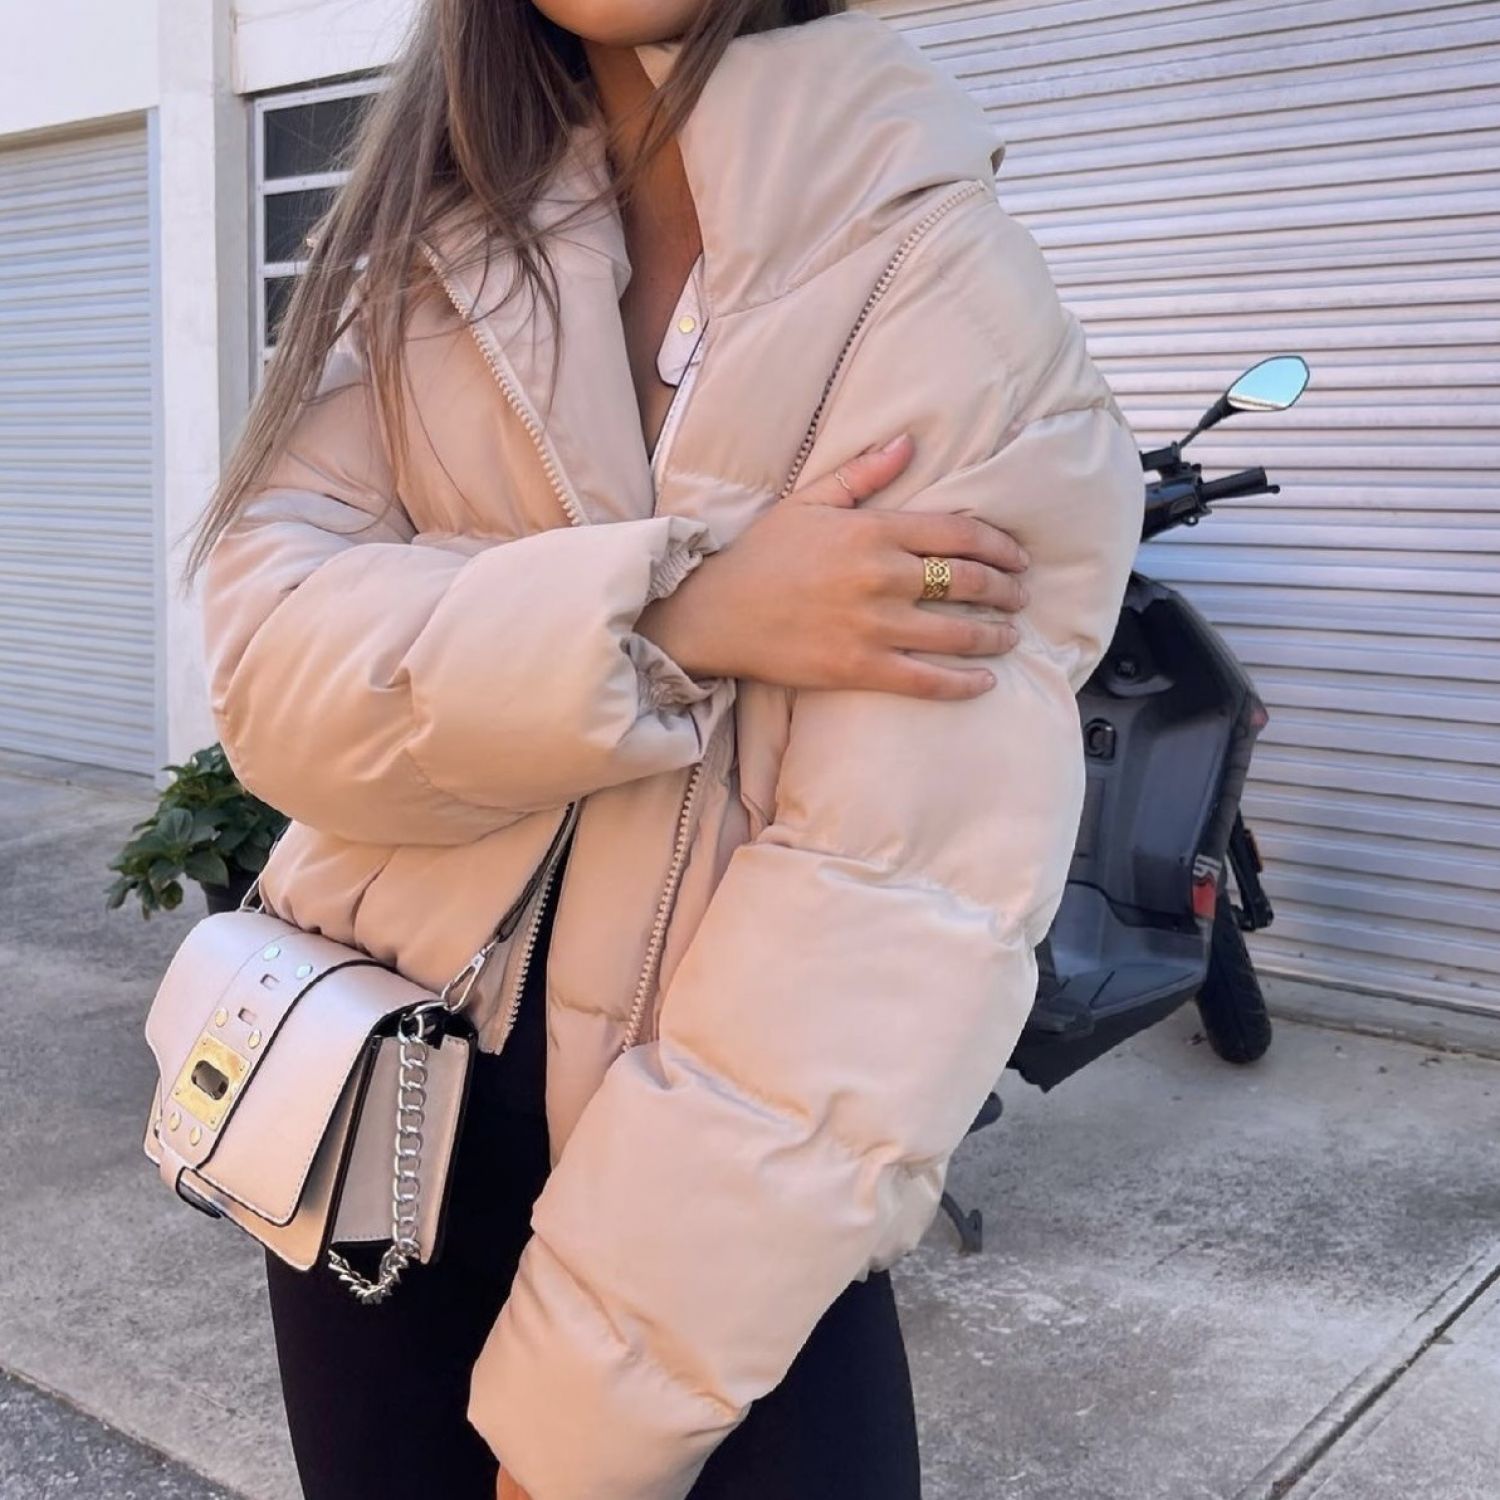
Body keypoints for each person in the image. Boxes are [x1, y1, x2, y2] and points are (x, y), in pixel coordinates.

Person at [189, 2, 1142, 1497]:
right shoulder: (424, 249)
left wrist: (589, 1429)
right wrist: (672, 611)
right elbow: (273, 681)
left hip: (726, 1238)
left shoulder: (936, 287)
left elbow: (886, 908)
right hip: (374, 1144)